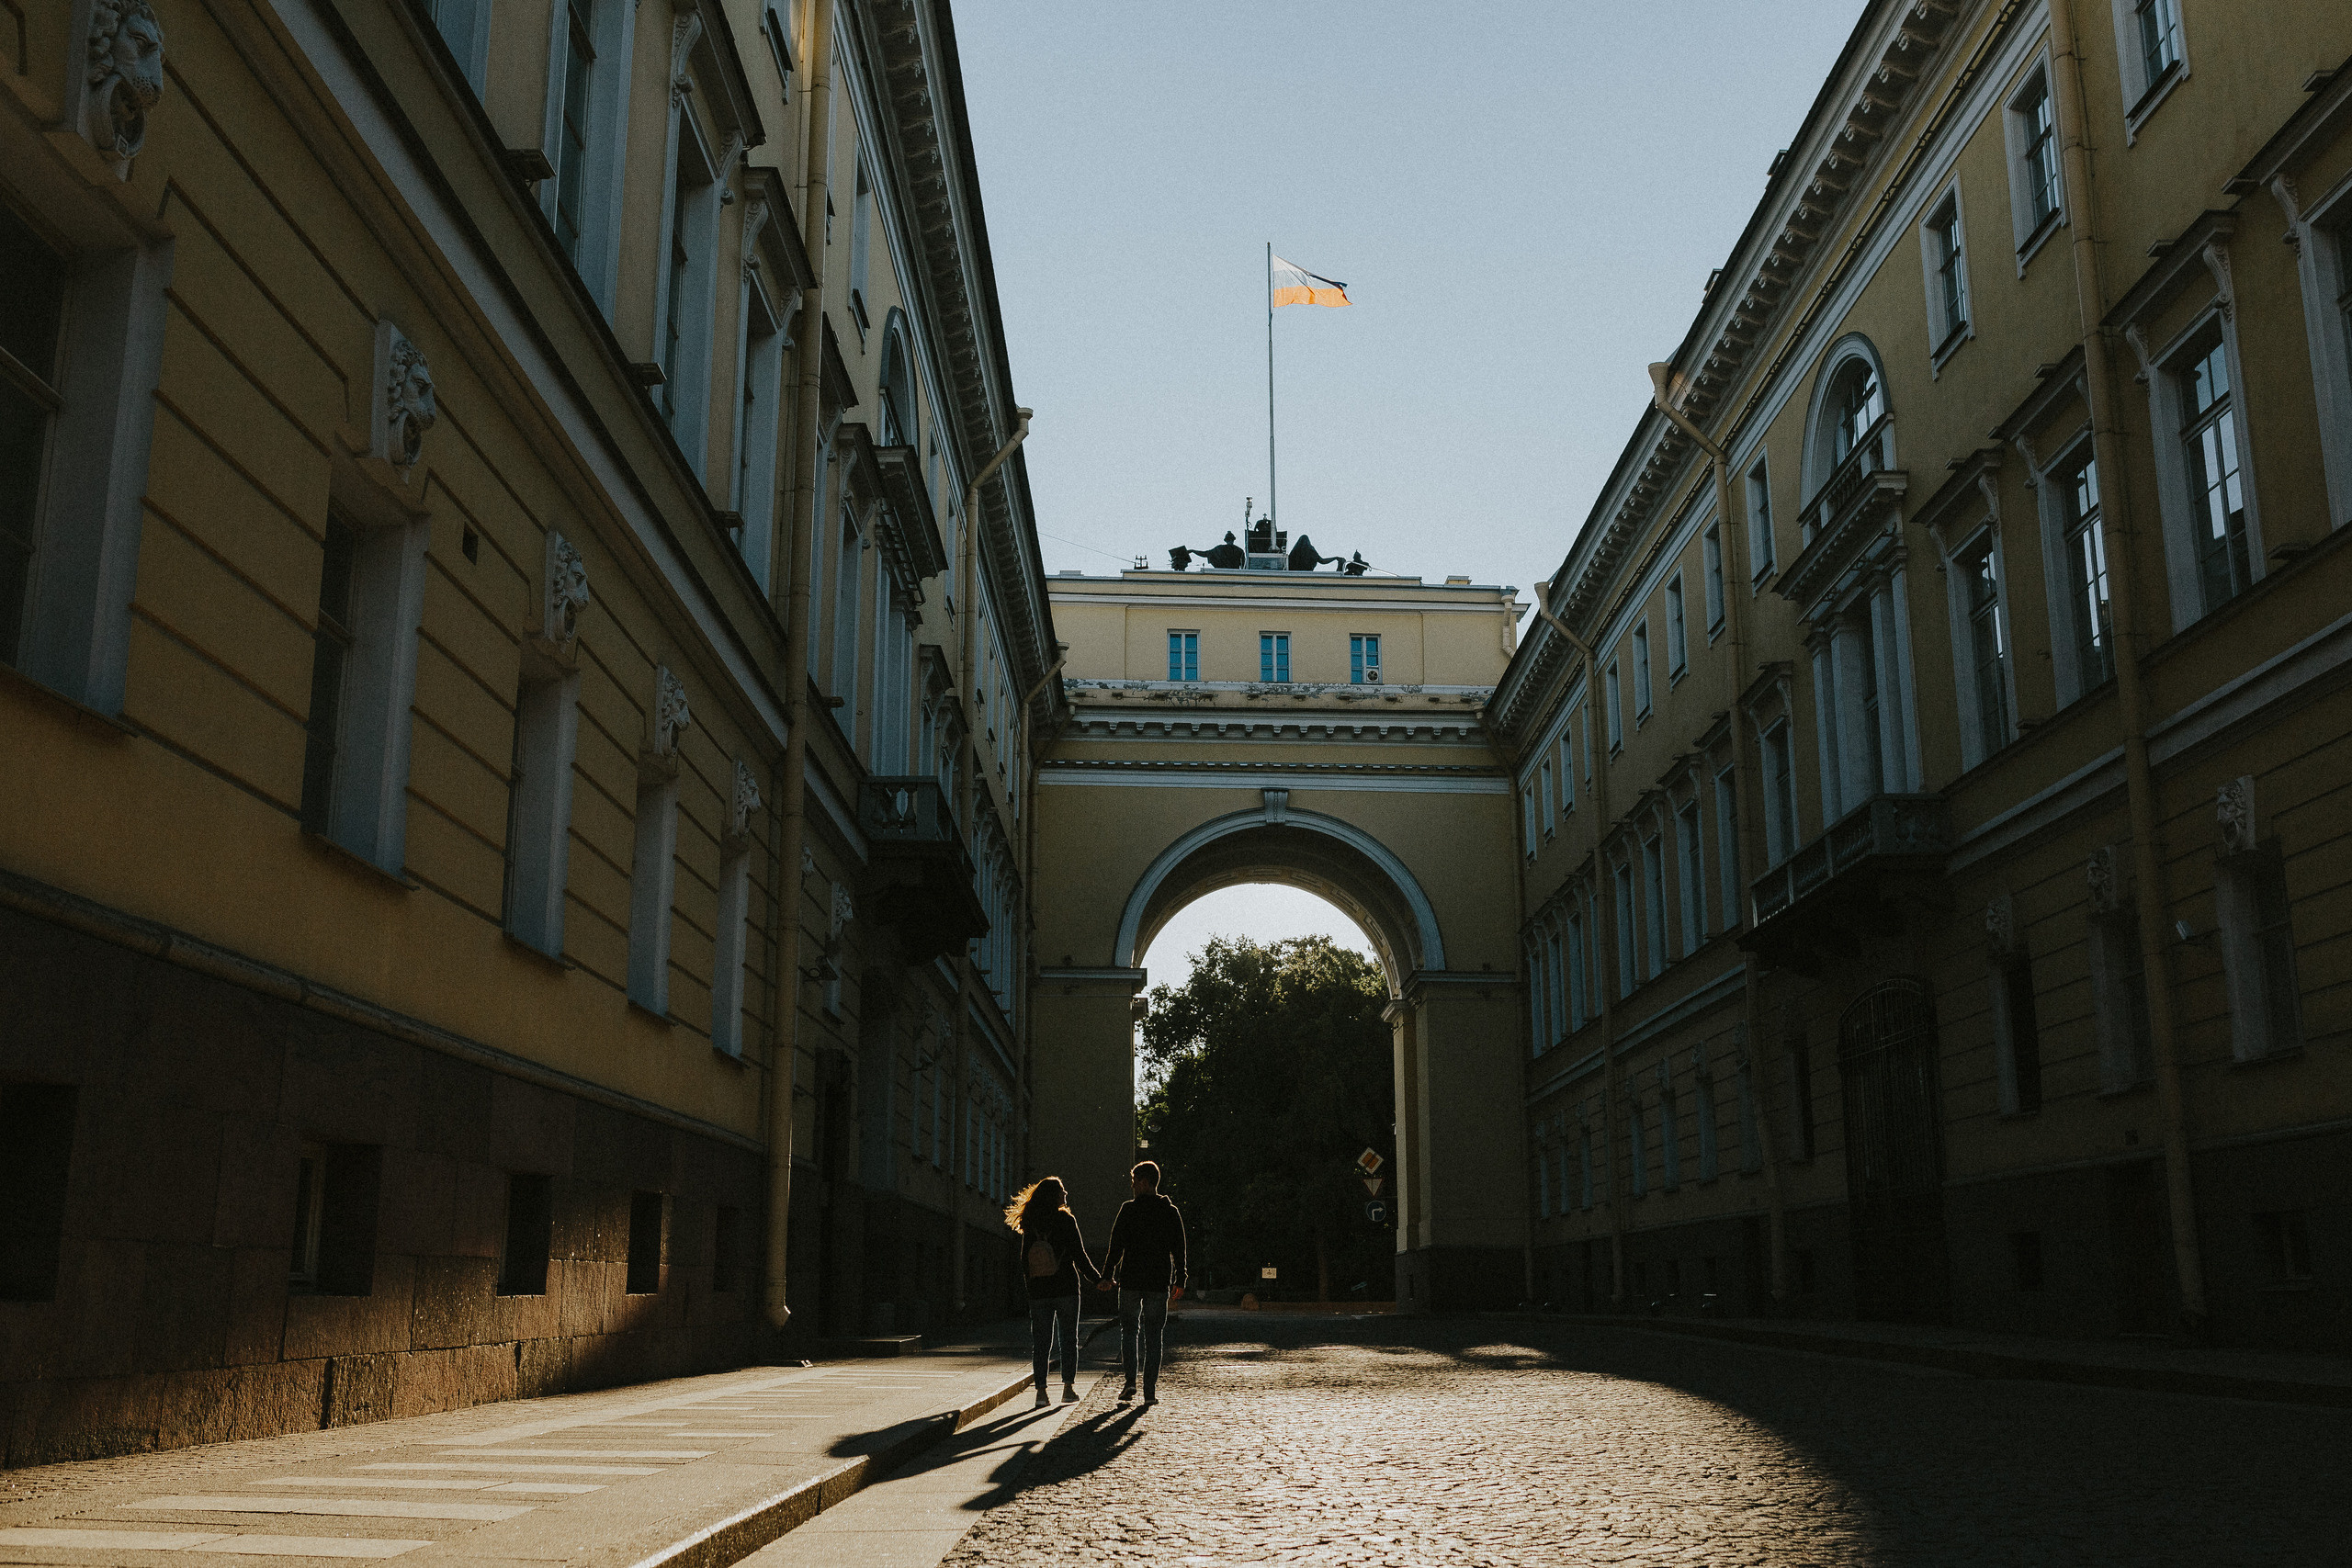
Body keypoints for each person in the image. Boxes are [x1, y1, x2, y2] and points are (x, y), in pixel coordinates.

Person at [1006, 1177, 1102, 1406]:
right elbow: (1080, 1256)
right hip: (1067, 1288)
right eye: (1061, 1191)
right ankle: (1068, 1389)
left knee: (1041, 1343)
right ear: (1054, 1195)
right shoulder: (1066, 1220)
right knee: (1068, 1339)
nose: (1065, 1193)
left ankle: (1041, 1393)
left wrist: (1030, 1287)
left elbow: (1024, 1259)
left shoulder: (1031, 1222)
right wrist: (1098, 1280)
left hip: (1039, 1292)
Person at [1098, 1160, 1187, 1405]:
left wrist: (1107, 1275)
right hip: (1158, 1282)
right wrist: (1180, 1278)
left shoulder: (1128, 1210)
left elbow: (1115, 1246)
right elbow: (1179, 1249)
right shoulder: (1170, 1212)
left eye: (1134, 1181)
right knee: (1154, 1335)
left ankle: (1130, 1382)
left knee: (1129, 1332)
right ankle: (1149, 1391)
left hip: (1131, 1280)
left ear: (1145, 1182)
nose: (1132, 1185)